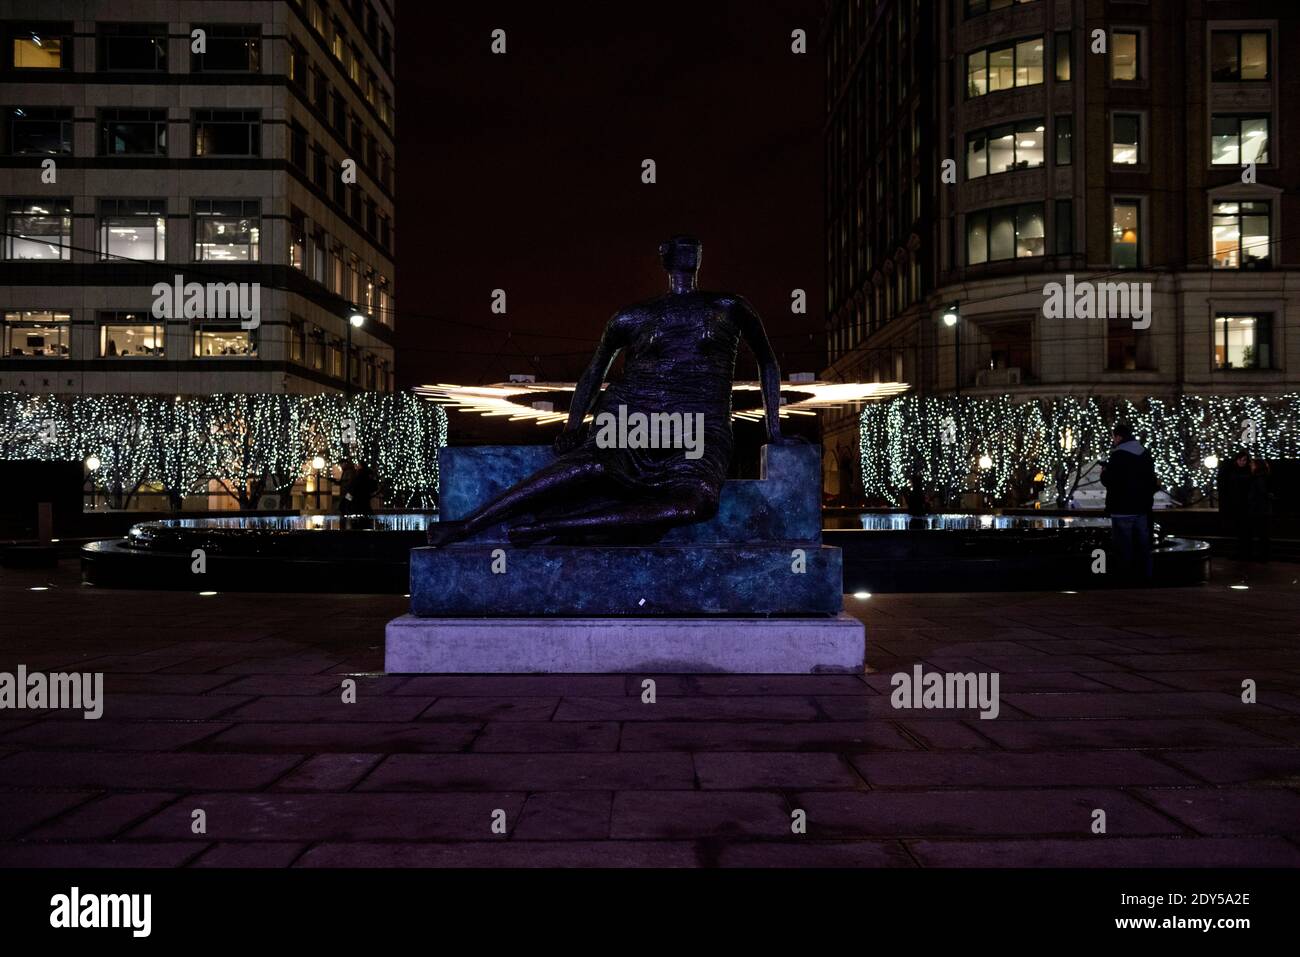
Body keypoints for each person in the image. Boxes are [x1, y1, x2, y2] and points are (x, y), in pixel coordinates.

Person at [427, 235, 792, 546]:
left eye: (692, 245)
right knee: (591, 463)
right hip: (635, 414)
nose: (688, 248)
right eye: (678, 246)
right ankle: (467, 525)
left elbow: (768, 361)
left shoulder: (728, 307)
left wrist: (774, 432)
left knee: (694, 503)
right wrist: (571, 428)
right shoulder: (633, 315)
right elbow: (593, 372)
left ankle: (547, 528)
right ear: (664, 258)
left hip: (699, 427)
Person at [1099, 420, 1159, 584]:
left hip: (1122, 508)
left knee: (1123, 546)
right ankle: (1146, 576)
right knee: (1143, 545)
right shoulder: (1144, 453)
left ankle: (1125, 578)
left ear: (1118, 437)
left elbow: (1111, 481)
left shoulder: (1118, 455)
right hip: (1142, 507)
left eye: (1113, 437)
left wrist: (1104, 472)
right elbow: (1152, 481)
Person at [1222, 450, 1252, 558]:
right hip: (1237, 505)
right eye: (1241, 460)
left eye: (1245, 460)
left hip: (1244, 505)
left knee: (1244, 530)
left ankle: (1244, 552)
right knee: (1240, 530)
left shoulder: (1245, 472)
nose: (1243, 462)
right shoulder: (1234, 472)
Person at [1245, 458, 1273, 561]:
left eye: (1252, 464)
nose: (1251, 466)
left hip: (1260, 510)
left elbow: (1261, 494)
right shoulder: (1263, 477)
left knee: (1262, 535)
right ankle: (1264, 556)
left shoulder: (1259, 478)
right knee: (1264, 535)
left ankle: (1263, 556)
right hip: (1263, 510)